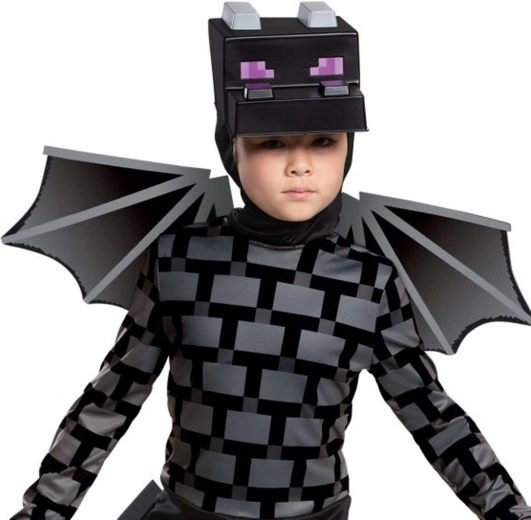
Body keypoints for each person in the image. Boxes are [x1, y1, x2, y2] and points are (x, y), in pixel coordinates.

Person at [9, 3, 531, 520]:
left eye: (323, 141)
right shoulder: (177, 259)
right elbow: (110, 401)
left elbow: (434, 418)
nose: (300, 165)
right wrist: (43, 512)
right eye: (272, 141)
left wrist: (511, 512)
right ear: (230, 148)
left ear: (348, 150)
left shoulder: (371, 282)